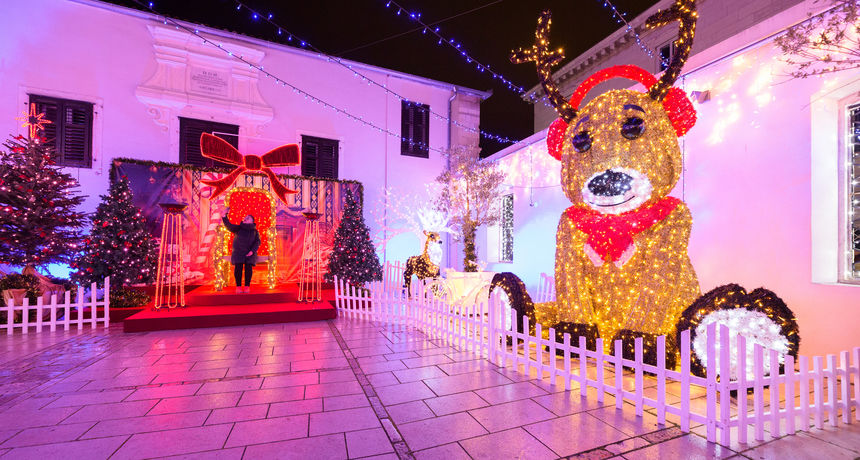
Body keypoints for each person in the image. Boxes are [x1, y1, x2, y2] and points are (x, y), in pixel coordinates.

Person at [222, 207, 261, 293]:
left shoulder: (255, 231)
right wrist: (224, 215)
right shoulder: (238, 228)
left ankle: (247, 286)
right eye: (245, 217)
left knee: (248, 269)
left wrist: (252, 251)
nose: (246, 218)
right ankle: (238, 287)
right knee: (238, 269)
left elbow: (257, 242)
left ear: (252, 221)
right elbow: (228, 225)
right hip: (238, 253)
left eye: (248, 218)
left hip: (250, 253)